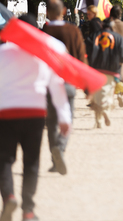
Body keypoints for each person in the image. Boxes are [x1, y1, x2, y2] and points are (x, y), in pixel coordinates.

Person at [0, 15, 72, 221]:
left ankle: (8, 197)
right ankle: (28, 210)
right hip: (35, 113)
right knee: (31, 162)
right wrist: (64, 117)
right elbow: (57, 87)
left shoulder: (2, 53)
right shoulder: (43, 55)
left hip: (6, 112)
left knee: (4, 159)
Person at [42, 0, 87, 176]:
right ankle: (60, 147)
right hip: (67, 82)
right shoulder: (73, 30)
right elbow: (81, 58)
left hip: (48, 84)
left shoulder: (43, 31)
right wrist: (86, 85)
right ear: (64, 11)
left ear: (47, 13)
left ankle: (54, 159)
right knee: (68, 120)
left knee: (51, 123)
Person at [86, 18, 123, 128]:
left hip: (95, 69)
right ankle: (105, 109)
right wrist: (119, 63)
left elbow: (86, 50)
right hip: (111, 69)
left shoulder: (93, 36)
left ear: (102, 26)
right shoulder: (118, 38)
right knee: (108, 93)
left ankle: (98, 121)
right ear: (112, 26)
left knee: (97, 95)